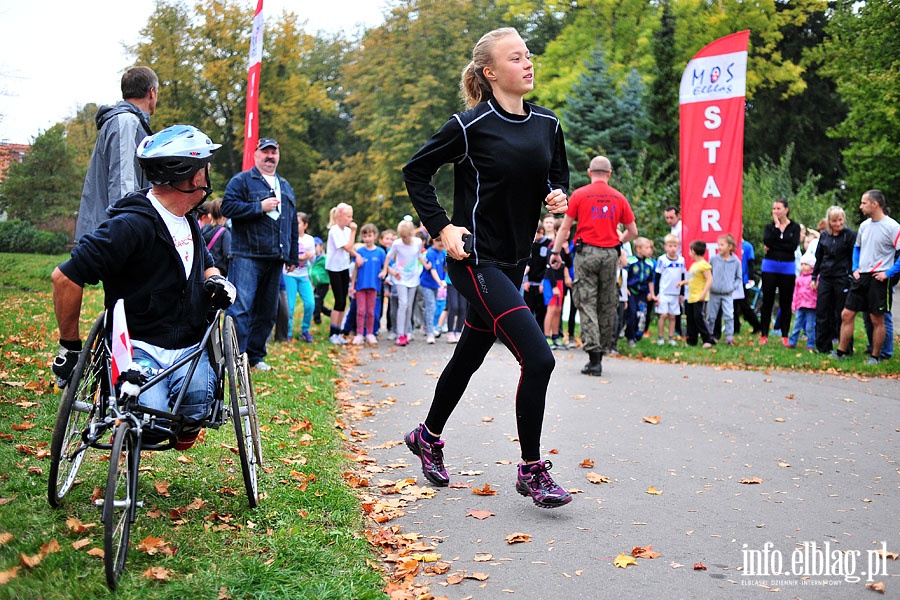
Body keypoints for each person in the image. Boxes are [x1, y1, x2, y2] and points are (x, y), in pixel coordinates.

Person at [401, 27, 572, 508]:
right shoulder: (469, 125)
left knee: (471, 354)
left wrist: (556, 193)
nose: (528, 63)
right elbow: (415, 170)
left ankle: (427, 436)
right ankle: (532, 471)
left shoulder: (548, 124)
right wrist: (441, 228)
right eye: (516, 58)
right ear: (490, 72)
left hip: (515, 261)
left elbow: (555, 173)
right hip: (474, 259)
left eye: (528, 55)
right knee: (539, 357)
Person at [51, 125, 233, 450]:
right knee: (150, 423)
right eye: (205, 166)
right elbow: (65, 277)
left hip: (190, 345)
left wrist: (215, 279)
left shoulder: (188, 219)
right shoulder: (129, 226)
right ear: (194, 178)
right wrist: (70, 346)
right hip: (139, 348)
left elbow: (205, 263)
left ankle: (185, 420)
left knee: (196, 408)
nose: (209, 173)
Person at [552, 156, 638, 376]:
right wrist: (618, 240)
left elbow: (565, 228)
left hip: (586, 253)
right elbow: (633, 232)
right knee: (607, 301)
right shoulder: (619, 197)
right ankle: (605, 346)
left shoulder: (580, 194)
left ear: (590, 172)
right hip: (610, 254)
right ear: (609, 174)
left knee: (586, 300)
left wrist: (555, 252)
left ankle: (594, 356)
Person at [221, 138, 299, 370]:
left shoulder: (285, 186)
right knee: (241, 308)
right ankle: (235, 357)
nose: (269, 157)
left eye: (273, 153)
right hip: (247, 254)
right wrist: (259, 207)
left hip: (275, 256)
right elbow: (227, 208)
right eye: (265, 152)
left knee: (267, 311)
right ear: (256, 155)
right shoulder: (242, 181)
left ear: (278, 156)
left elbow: (291, 222)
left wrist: (292, 254)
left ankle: (255, 357)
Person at [75, 66, 159, 242]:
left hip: (106, 235)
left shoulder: (125, 121)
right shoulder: (126, 122)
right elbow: (123, 187)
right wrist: (129, 239)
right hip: (112, 240)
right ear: (152, 92)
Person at [832, 190, 900, 365]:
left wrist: (889, 273)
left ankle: (876, 356)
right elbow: (857, 248)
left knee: (877, 318)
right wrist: (855, 267)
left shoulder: (892, 227)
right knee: (847, 314)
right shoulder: (864, 226)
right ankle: (840, 351)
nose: (861, 206)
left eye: (864, 203)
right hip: (861, 276)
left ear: (875, 204)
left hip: (879, 279)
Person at [812, 206, 856, 354]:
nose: (838, 223)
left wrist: (851, 275)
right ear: (829, 222)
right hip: (825, 277)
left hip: (842, 278)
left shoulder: (850, 236)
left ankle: (845, 348)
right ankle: (822, 346)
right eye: (834, 221)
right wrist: (814, 276)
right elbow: (819, 257)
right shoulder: (824, 236)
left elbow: (854, 257)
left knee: (842, 313)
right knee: (822, 311)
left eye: (840, 220)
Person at [759, 199, 802, 346]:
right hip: (770, 265)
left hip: (787, 266)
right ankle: (764, 334)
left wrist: (775, 245)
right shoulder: (770, 227)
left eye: (778, 208)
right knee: (767, 300)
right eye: (774, 209)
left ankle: (785, 334)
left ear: (786, 210)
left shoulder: (795, 227)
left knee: (786, 301)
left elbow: (792, 246)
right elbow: (768, 242)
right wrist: (777, 228)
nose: (775, 211)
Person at [379, 219, 424, 346]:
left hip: (413, 277)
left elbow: (418, 256)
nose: (404, 239)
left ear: (412, 234)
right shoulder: (397, 244)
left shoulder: (418, 242)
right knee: (403, 303)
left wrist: (425, 265)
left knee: (409, 306)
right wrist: (386, 271)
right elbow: (388, 257)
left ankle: (407, 331)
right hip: (400, 277)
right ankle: (400, 334)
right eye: (402, 236)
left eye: (407, 236)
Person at [325, 203, 363, 345]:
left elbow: (350, 247)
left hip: (343, 267)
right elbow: (347, 246)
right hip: (334, 268)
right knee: (339, 300)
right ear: (339, 216)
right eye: (348, 216)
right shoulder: (334, 230)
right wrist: (353, 232)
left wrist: (357, 255)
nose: (350, 219)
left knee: (343, 300)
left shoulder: (346, 231)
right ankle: (333, 332)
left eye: (351, 216)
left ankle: (339, 331)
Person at [350, 223, 386, 345]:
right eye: (365, 236)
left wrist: (384, 273)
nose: (367, 239)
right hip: (360, 286)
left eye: (370, 235)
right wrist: (352, 285)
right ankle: (360, 333)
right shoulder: (359, 252)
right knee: (360, 311)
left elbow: (385, 266)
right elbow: (355, 269)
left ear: (375, 236)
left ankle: (370, 333)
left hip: (374, 286)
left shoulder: (380, 252)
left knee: (371, 311)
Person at [284, 212, 317, 343]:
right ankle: (288, 333)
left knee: (310, 303)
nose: (295, 225)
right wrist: (297, 257)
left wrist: (310, 255)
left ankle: (305, 330)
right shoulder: (288, 237)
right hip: (290, 275)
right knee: (290, 306)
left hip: (303, 275)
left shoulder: (309, 239)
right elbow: (286, 255)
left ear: (305, 225)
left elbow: (313, 260)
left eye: (298, 223)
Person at [678, 239, 715, 348]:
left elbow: (709, 280)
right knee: (691, 318)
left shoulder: (704, 265)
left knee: (698, 318)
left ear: (693, 251)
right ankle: (692, 340)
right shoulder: (694, 265)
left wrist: (704, 293)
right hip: (691, 296)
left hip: (699, 296)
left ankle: (707, 339)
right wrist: (684, 282)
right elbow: (694, 279)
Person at [706, 234, 742, 344]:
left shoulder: (736, 261)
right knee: (711, 316)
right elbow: (708, 273)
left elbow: (738, 277)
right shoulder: (713, 259)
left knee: (729, 315)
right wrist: (710, 285)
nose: (719, 247)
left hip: (727, 293)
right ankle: (709, 336)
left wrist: (732, 287)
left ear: (730, 247)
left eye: (722, 245)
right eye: (718, 245)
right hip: (714, 292)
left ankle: (729, 337)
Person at [654, 234, 685, 346]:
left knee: (673, 316)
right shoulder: (662, 260)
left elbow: (682, 277)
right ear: (666, 247)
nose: (673, 248)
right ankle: (660, 337)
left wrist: (682, 293)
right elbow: (657, 277)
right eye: (670, 246)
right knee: (663, 315)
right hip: (664, 292)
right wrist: (656, 294)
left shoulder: (681, 260)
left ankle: (671, 337)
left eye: (675, 246)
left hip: (675, 293)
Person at [624, 237, 655, 346]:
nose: (649, 250)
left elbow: (651, 280)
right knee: (632, 313)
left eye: (650, 248)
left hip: (643, 293)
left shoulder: (650, 264)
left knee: (642, 314)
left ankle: (638, 335)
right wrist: (625, 288)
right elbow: (624, 275)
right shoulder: (631, 261)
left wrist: (652, 293)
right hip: (631, 292)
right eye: (646, 248)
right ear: (638, 249)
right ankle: (630, 336)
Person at [418, 236, 448, 343]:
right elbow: (433, 270)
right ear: (434, 241)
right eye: (440, 245)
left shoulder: (442, 252)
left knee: (433, 306)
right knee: (431, 306)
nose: (442, 247)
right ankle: (430, 333)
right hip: (426, 284)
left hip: (435, 285)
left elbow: (445, 267)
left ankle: (427, 326)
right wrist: (440, 281)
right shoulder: (430, 253)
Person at [523, 222, 549, 328]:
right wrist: (525, 280)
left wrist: (543, 282)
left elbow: (548, 265)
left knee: (541, 312)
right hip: (529, 283)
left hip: (541, 283)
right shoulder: (531, 244)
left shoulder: (549, 244)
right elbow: (526, 263)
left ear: (541, 232)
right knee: (527, 311)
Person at [788, 254, 817, 350]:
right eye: (802, 264)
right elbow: (795, 293)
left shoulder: (815, 278)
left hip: (811, 306)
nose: (803, 266)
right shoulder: (799, 279)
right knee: (796, 325)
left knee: (810, 326)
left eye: (806, 264)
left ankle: (811, 344)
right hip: (800, 306)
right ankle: (792, 342)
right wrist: (794, 305)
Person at [197, 198, 231, 277]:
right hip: (217, 272)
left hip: (203, 270)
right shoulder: (225, 233)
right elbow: (227, 254)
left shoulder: (203, 229)